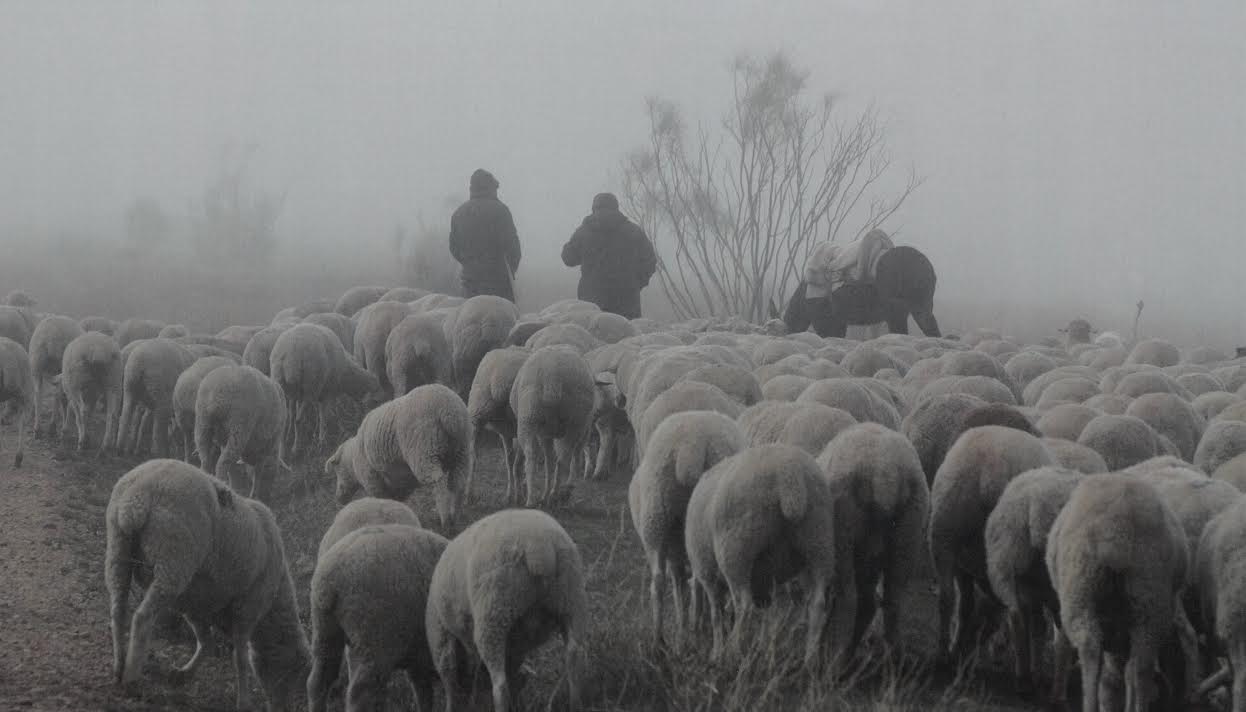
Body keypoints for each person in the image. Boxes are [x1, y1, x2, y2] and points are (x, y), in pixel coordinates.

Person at [561, 192, 657, 319]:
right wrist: (636, 283)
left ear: (594, 208)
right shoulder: (633, 231)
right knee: (627, 336)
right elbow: (650, 261)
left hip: (592, 302)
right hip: (627, 302)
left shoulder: (585, 231)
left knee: (593, 335)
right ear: (616, 207)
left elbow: (568, 258)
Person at [448, 169, 521, 301]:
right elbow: (513, 247)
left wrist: (470, 264)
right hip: (499, 284)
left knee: (471, 319)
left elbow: (454, 248)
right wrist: (510, 271)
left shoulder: (458, 213)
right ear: (490, 188)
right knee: (500, 319)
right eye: (495, 188)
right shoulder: (500, 210)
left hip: (470, 286)